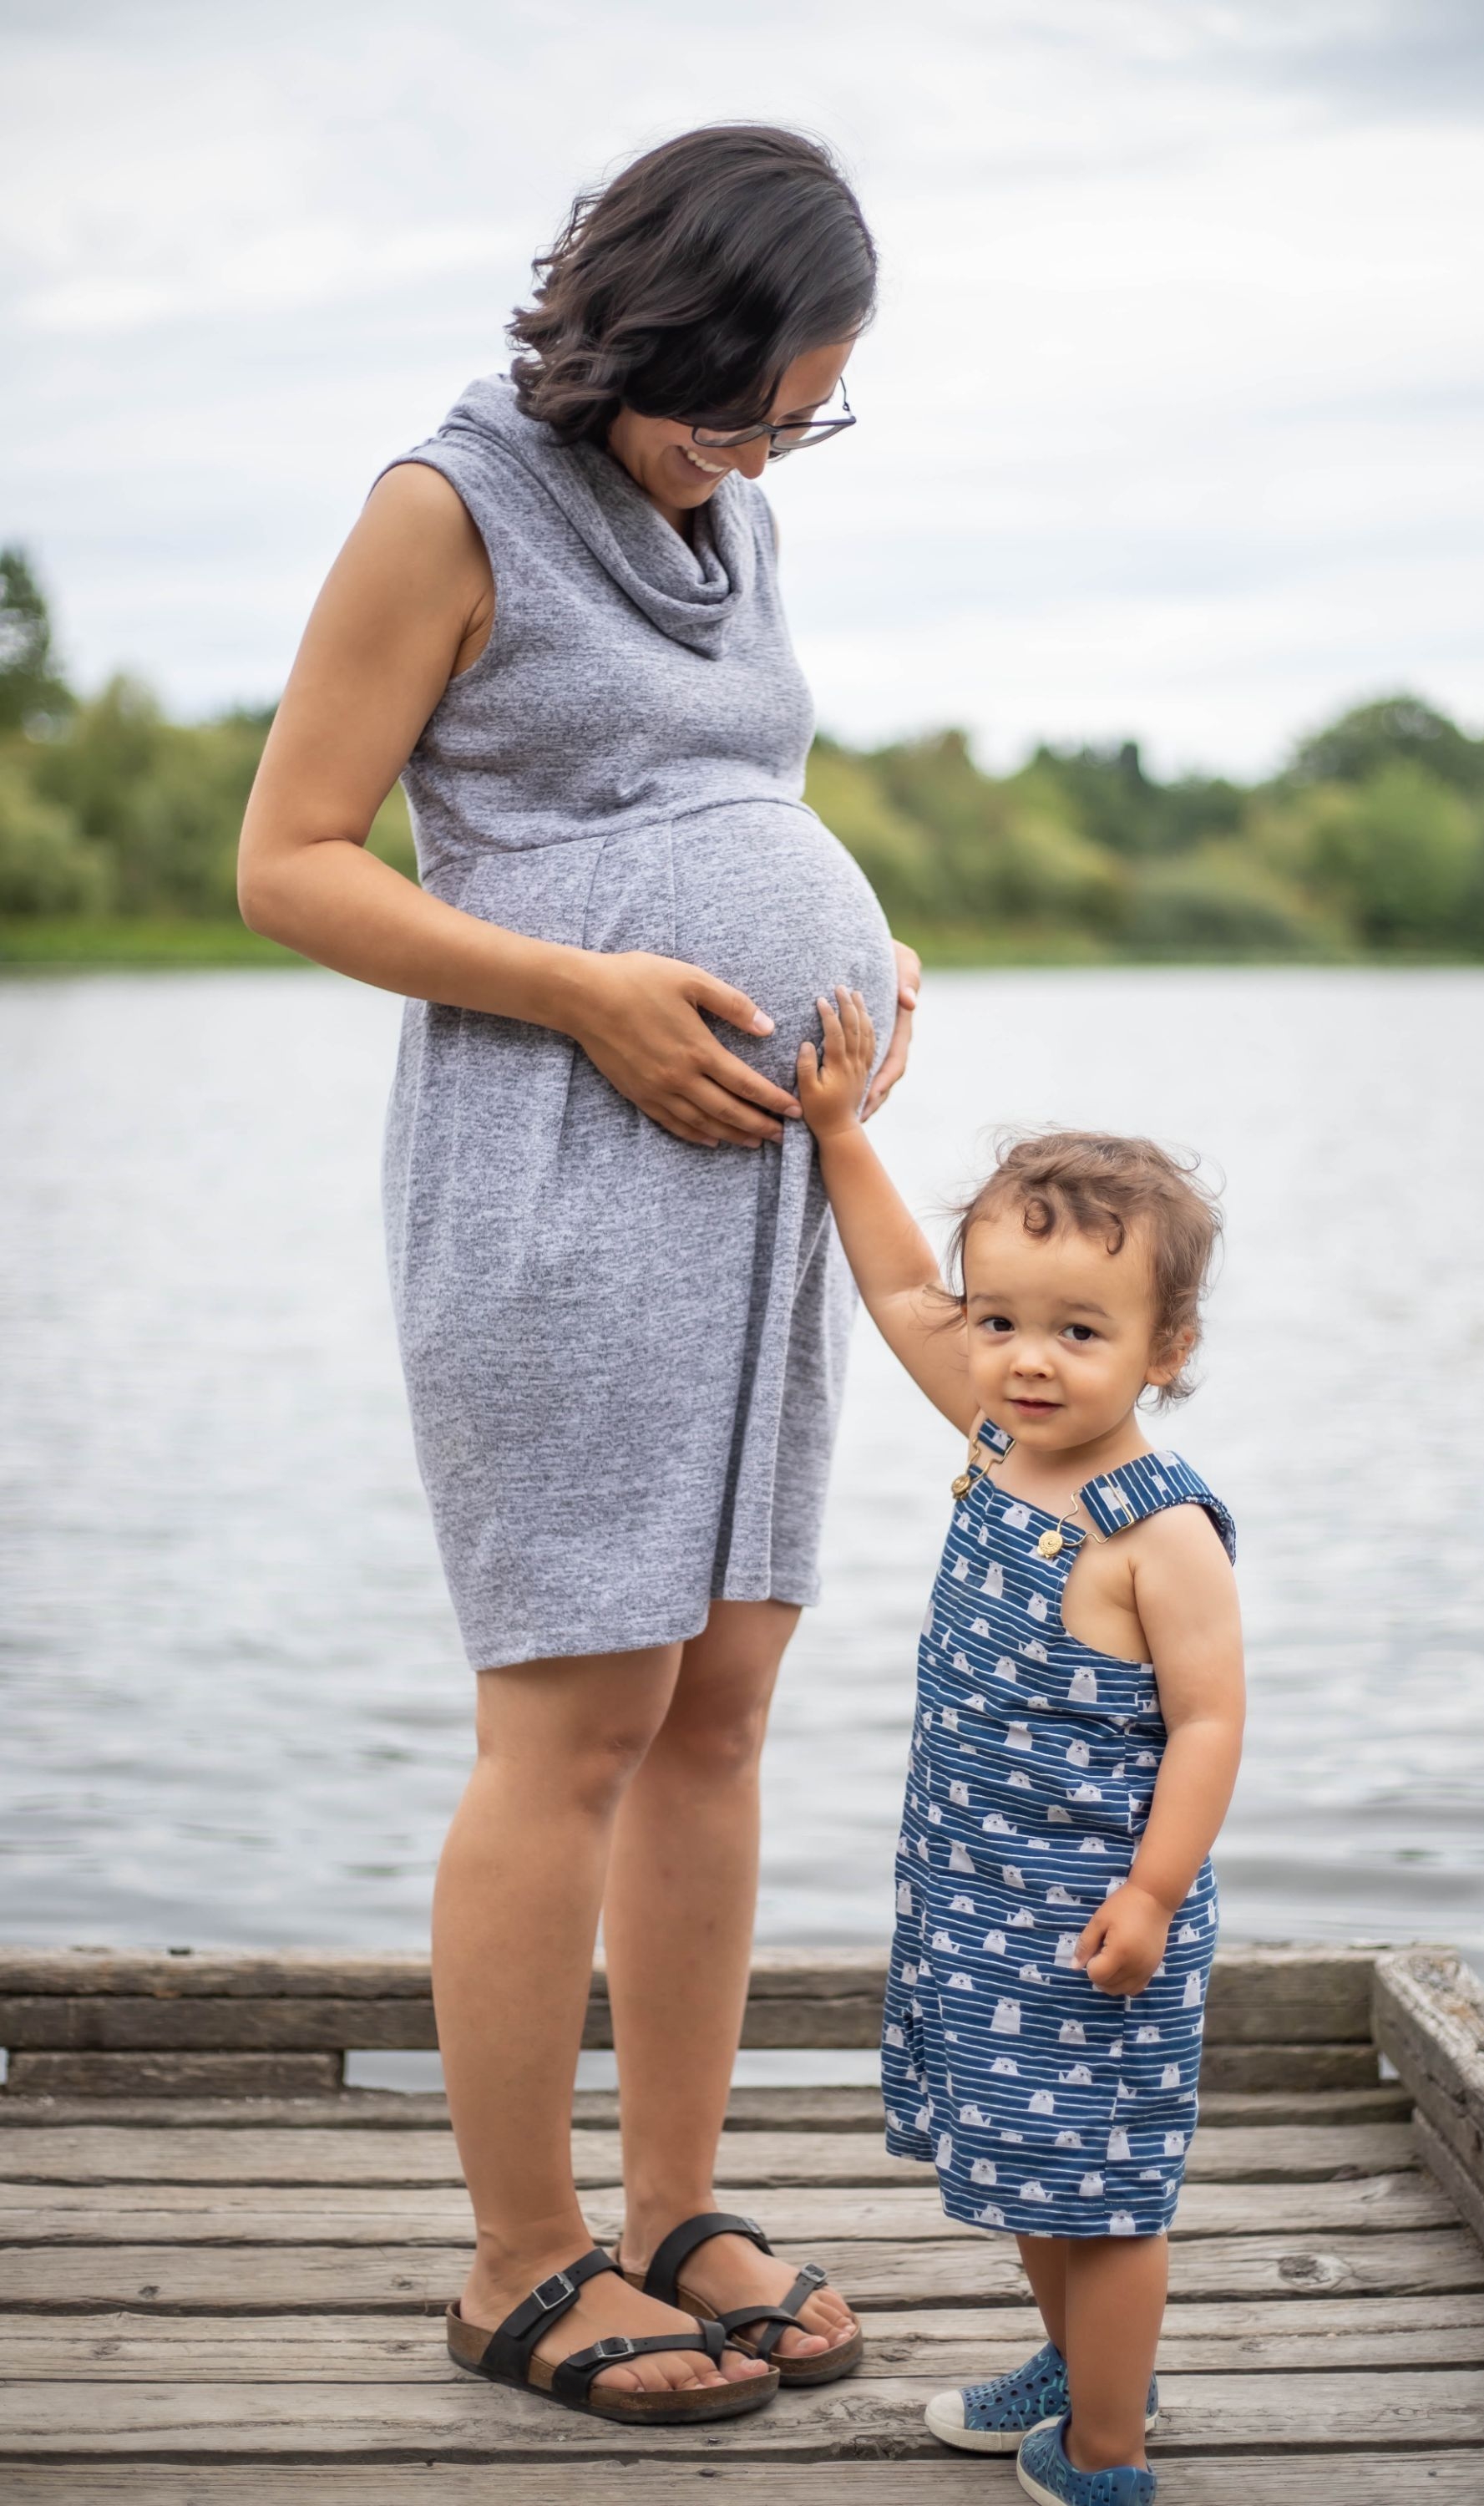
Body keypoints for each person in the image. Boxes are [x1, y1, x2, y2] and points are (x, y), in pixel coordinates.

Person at [237, 128, 920, 2424]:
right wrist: (593, 987)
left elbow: (710, 805)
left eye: (799, 422)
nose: (756, 456)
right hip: (556, 1166)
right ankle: (521, 2259)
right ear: (643, 332)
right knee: (578, 1720)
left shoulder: (733, 508)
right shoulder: (444, 509)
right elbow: (292, 862)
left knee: (726, 1700)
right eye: (737, 409)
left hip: (750, 1183)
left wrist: (859, 946)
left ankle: (673, 2204)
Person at [798, 989, 1245, 2505]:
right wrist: (842, 1131)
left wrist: (1158, 1894)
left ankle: (1108, 2451)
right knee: (1031, 2175)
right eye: (1005, 1324)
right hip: (979, 1901)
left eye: (1078, 1332)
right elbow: (899, 1286)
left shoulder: (1156, 1526)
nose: (1026, 1360)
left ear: (1163, 1350)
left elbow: (1211, 1721)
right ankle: (1076, 2368)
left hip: (1097, 1916)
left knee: (1105, 2196)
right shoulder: (997, 1440)